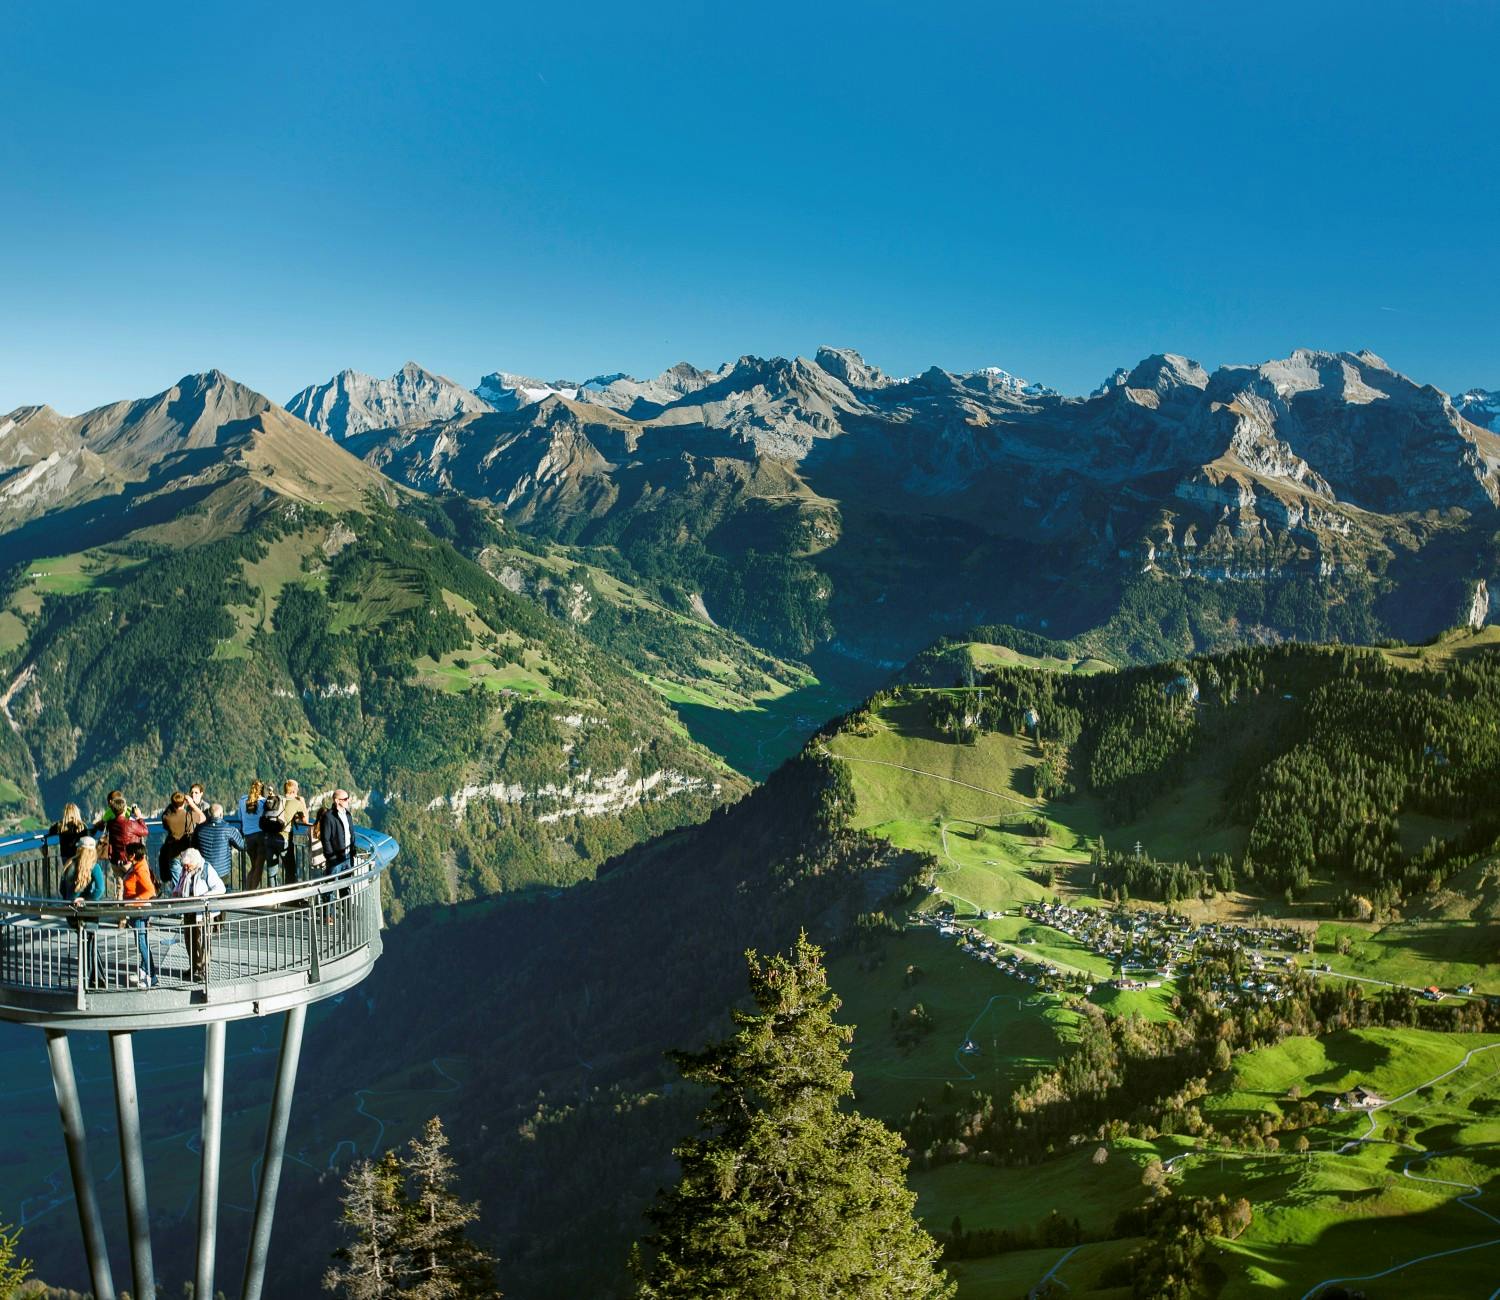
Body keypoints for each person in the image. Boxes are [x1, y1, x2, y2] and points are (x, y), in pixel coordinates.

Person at [172, 847, 226, 980]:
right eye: (184, 865)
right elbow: (179, 886)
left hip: (203, 912)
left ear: (195, 862)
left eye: (188, 865)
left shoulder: (206, 869)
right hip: (188, 911)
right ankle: (194, 966)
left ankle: (204, 970)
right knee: (189, 940)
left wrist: (205, 896)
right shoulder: (185, 870)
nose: (186, 868)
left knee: (203, 941)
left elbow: (220, 888)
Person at [66, 836, 108, 987]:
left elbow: (62, 888)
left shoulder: (70, 864)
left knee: (86, 943)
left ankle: (99, 978)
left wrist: (71, 899)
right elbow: (100, 889)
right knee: (90, 943)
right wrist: (88, 900)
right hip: (89, 912)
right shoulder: (94, 867)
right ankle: (89, 980)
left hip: (72, 912)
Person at [114, 842, 157, 987]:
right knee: (142, 942)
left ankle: (151, 975)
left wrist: (134, 901)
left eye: (127, 853)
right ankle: (146, 971)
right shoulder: (138, 866)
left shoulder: (140, 870)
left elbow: (150, 891)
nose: (125, 855)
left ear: (132, 855)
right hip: (137, 910)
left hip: (139, 911)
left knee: (141, 943)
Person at [158, 791, 206, 884]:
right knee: (190, 883)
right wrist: (192, 804)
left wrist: (173, 804)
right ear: (184, 802)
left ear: (172, 803)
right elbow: (203, 817)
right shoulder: (189, 815)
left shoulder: (167, 818)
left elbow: (165, 814)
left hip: (173, 854)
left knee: (178, 885)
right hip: (188, 853)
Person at [194, 802, 245, 887]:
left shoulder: (199, 829)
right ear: (221, 814)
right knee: (223, 893)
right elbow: (241, 845)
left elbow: (194, 846)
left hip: (204, 870)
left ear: (209, 814)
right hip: (222, 871)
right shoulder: (228, 829)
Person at [100, 793, 148, 866]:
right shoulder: (130, 824)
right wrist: (139, 817)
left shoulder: (110, 824)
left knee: (119, 877)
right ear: (125, 808)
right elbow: (145, 831)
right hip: (128, 860)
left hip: (115, 861)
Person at [315, 789, 355, 875]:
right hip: (335, 859)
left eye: (348, 798)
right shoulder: (328, 817)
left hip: (347, 856)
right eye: (345, 799)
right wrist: (332, 857)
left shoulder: (348, 814)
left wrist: (352, 851)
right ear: (337, 801)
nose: (348, 800)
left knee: (346, 885)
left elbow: (351, 834)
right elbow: (325, 839)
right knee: (332, 885)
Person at [240, 779, 268, 888]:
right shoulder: (263, 802)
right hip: (261, 836)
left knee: (253, 866)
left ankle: (247, 891)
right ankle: (251, 893)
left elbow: (239, 817)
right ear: (262, 790)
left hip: (248, 837)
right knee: (258, 867)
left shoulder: (242, 800)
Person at [259, 791, 288, 886]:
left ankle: (273, 893)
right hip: (281, 837)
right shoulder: (282, 801)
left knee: (271, 870)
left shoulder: (266, 805)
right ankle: (289, 895)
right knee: (288, 868)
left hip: (268, 838)